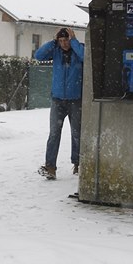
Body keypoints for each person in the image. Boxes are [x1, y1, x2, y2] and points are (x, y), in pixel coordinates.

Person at [34, 27, 84, 180]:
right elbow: (38, 55)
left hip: (76, 99)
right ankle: (50, 167)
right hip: (57, 100)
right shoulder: (55, 51)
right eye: (61, 41)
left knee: (77, 133)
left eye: (66, 40)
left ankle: (78, 163)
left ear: (71, 39)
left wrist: (74, 41)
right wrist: (53, 41)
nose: (64, 44)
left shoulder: (78, 49)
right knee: (54, 134)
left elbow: (85, 57)